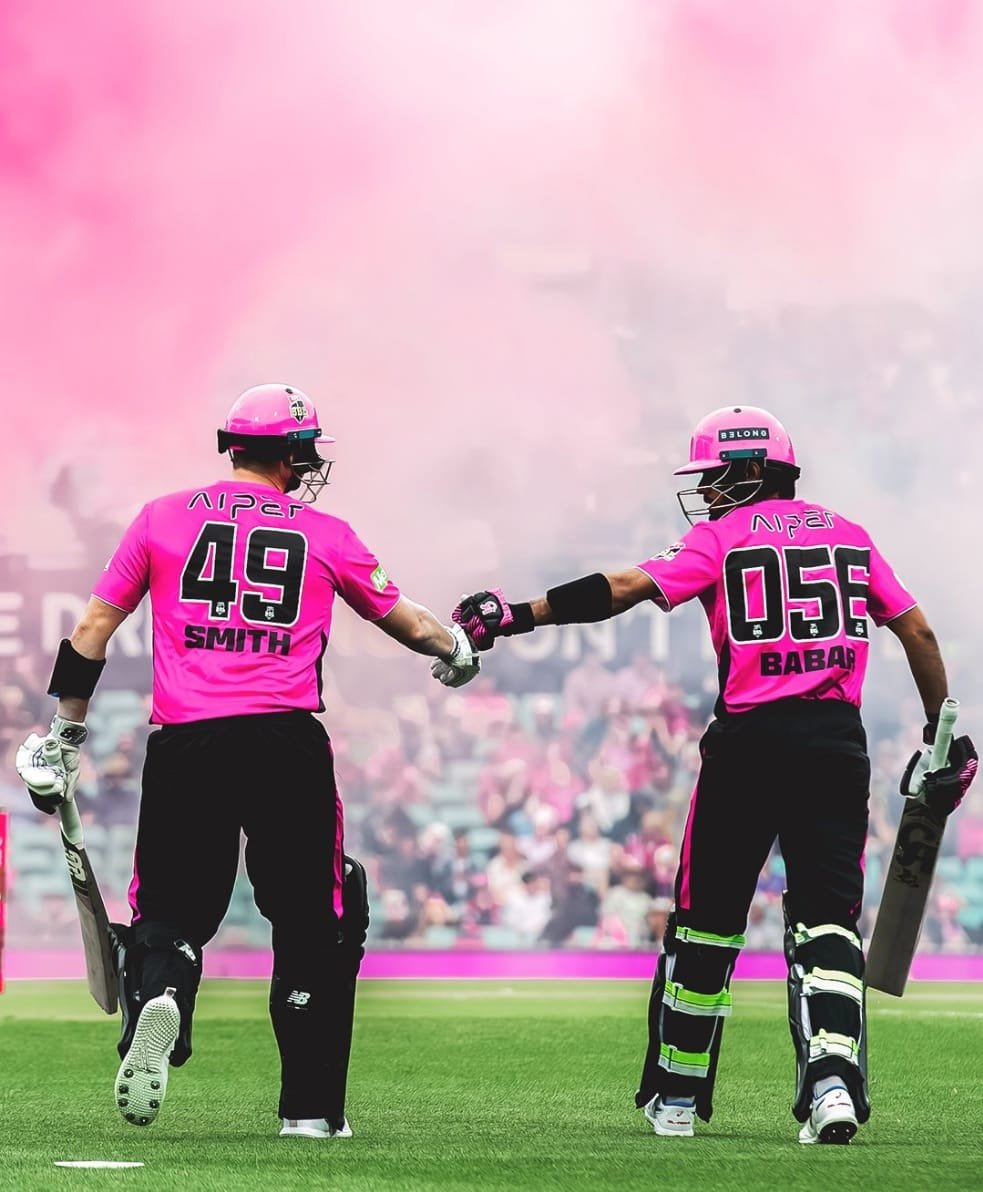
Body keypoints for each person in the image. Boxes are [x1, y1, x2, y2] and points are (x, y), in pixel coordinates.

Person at [447, 404, 977, 1145]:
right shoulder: (851, 536)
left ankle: (676, 1096)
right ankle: (832, 1087)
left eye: (715, 476)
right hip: (834, 746)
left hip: (748, 746)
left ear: (752, 469)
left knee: (706, 922)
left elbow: (624, 588)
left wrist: (518, 615)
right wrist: (939, 732)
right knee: (827, 921)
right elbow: (915, 629)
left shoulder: (720, 538)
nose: (705, 491)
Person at [14, 383, 479, 1139]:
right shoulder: (326, 533)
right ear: (293, 455)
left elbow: (94, 626)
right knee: (312, 918)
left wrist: (65, 732)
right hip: (283, 744)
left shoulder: (161, 517)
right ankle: (309, 1113)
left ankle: (165, 993)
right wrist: (455, 647)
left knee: (168, 912)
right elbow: (406, 621)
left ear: (230, 445)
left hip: (186, 742)